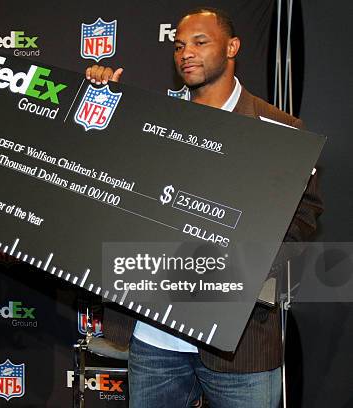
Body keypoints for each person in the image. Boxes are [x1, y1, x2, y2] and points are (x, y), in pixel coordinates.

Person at [86, 7, 323, 408]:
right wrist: (98, 101)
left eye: (200, 42)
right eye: (179, 46)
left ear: (232, 47)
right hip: (155, 342)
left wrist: (242, 269)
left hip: (241, 346)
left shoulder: (280, 130)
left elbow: (304, 217)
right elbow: (101, 180)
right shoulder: (149, 122)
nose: (186, 54)